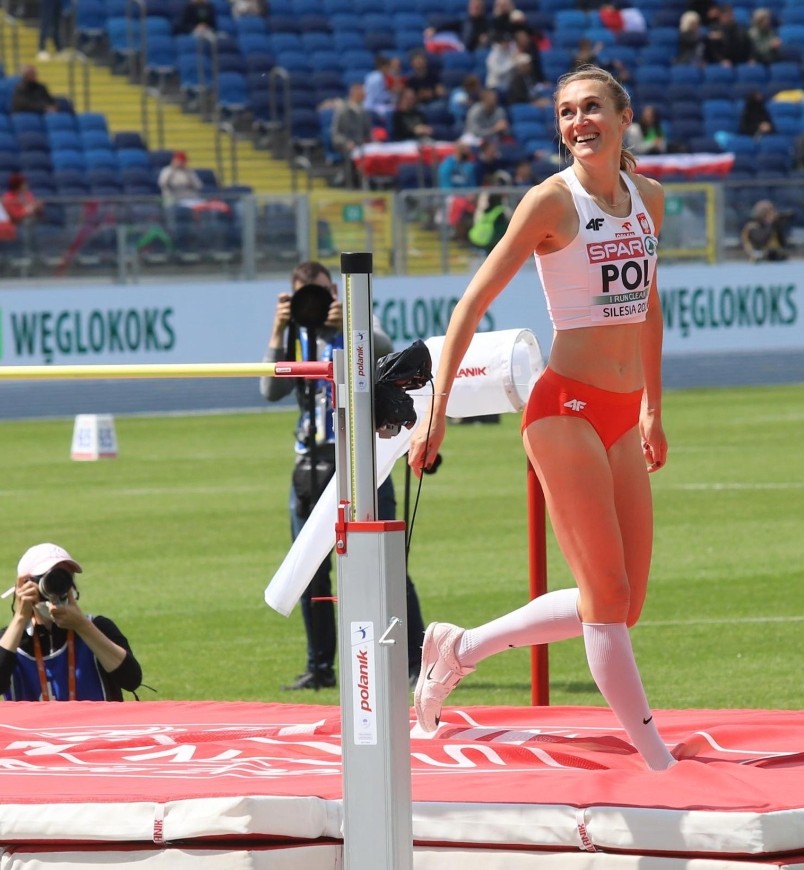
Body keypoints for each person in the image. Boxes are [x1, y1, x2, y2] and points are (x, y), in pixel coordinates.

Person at [408, 65, 678, 773]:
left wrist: (652, 405)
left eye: (592, 108)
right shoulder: (549, 203)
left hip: (621, 414)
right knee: (609, 598)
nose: (577, 122)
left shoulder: (649, 197)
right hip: (564, 410)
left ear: (625, 118)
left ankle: (458, 649)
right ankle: (655, 754)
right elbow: (470, 305)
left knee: (621, 603)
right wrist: (437, 411)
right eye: (565, 112)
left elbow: (647, 304)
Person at [260, 261, 426, 691]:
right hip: (309, 460)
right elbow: (270, 389)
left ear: (334, 290)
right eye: (302, 295)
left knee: (385, 565)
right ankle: (320, 667)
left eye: (318, 293)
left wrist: (350, 322)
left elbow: (387, 349)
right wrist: (277, 332)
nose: (312, 303)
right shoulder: (294, 334)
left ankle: (412, 659)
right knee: (312, 570)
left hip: (363, 457)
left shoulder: (356, 317)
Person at [0, 543, 142, 701]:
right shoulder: (12, 640)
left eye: (66, 577)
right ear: (25, 585)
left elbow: (131, 680)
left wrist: (83, 626)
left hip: (95, 728)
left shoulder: (98, 627)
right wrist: (20, 617)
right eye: (50, 578)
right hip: (35, 730)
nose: (58, 585)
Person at [330, 82, 372, 188]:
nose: (363, 95)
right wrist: (346, 142)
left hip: (363, 146)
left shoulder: (364, 112)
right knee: (353, 155)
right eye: (360, 93)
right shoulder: (342, 111)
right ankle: (352, 183)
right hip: (348, 146)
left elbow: (368, 133)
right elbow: (335, 134)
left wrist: (374, 141)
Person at [364, 55, 403, 123]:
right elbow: (378, 97)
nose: (390, 70)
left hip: (375, 104)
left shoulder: (373, 75)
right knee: (394, 110)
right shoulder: (378, 78)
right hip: (373, 106)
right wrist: (392, 93)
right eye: (388, 68)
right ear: (384, 67)